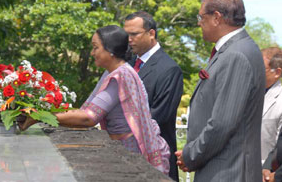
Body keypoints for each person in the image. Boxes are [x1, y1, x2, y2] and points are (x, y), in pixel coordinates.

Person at [18, 25, 171, 175]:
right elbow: (85, 109)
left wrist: (40, 117)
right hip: (123, 149)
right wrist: (41, 113)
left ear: (110, 51)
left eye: (95, 47)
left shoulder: (121, 76)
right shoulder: (115, 73)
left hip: (130, 155)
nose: (92, 53)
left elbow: (89, 118)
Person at [175, 0, 266, 182]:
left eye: (201, 17)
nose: (199, 23)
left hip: (228, 172)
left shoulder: (236, 55)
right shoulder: (235, 50)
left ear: (216, 17)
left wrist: (190, 155)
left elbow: (222, 124)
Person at [124, 11, 183, 182]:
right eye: (126, 34)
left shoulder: (169, 69)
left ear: (151, 33)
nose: (128, 39)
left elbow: (159, 115)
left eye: (134, 34)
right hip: (127, 158)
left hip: (156, 160)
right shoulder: (127, 65)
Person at [261, 48, 282, 163]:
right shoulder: (245, 93)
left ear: (277, 72)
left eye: (261, 68)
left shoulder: (281, 101)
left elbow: (279, 147)